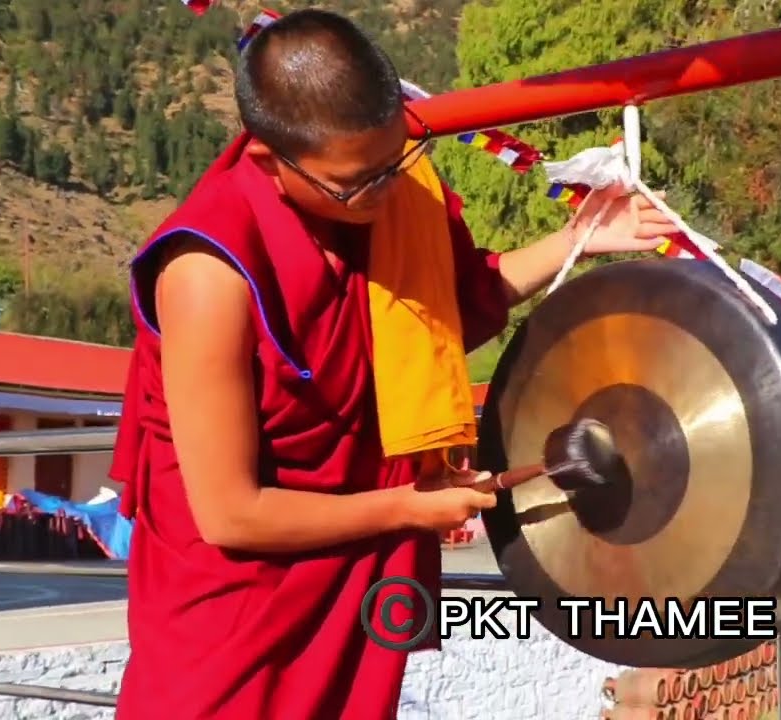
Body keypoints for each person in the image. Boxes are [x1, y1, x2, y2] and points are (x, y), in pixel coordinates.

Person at [106, 8, 680, 720]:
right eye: (354, 182)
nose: (382, 195)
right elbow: (230, 514)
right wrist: (409, 508)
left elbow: (441, 317)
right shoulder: (208, 272)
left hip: (351, 569)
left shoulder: (393, 198)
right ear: (268, 159)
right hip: (234, 605)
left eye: (393, 164)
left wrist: (578, 237)